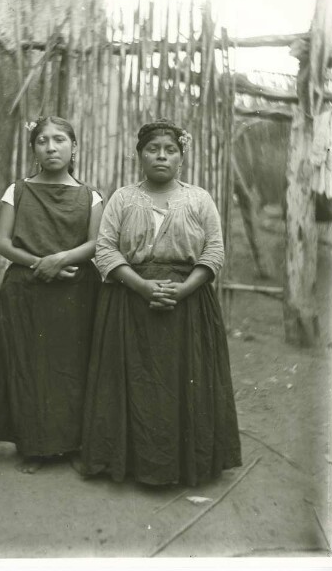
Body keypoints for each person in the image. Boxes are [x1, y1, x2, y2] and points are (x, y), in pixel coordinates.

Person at [81, 118, 242, 486]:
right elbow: (105, 249)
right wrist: (140, 286)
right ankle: (131, 462)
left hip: (187, 307)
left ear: (181, 158)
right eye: (152, 149)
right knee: (133, 383)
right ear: (139, 155)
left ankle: (185, 463)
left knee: (183, 382)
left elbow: (214, 250)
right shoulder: (122, 198)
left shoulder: (198, 198)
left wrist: (183, 291)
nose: (161, 156)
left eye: (170, 150)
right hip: (128, 302)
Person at [0, 115, 103, 474]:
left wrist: (61, 259)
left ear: (74, 147)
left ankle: (71, 443)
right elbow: (2, 242)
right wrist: (40, 263)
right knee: (30, 366)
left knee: (72, 366)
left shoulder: (91, 196)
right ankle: (34, 445)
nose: (51, 147)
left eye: (60, 140)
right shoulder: (17, 190)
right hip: (26, 290)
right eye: (42, 141)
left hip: (75, 291)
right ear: (34, 148)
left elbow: (97, 243)